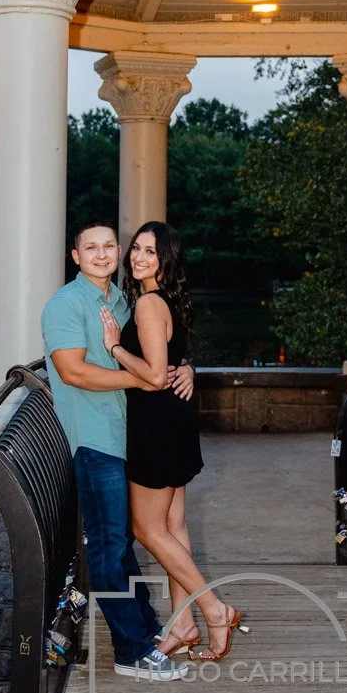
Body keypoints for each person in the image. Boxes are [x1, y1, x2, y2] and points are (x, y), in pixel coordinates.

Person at [42, 219, 195, 682]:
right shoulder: (64, 305)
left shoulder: (124, 301)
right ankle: (131, 651)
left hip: (130, 435)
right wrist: (151, 377)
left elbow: (160, 347)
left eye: (111, 245)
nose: (104, 254)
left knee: (123, 540)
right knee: (109, 546)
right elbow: (74, 372)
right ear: (75, 256)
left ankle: (146, 629)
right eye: (92, 247)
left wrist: (183, 368)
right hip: (94, 439)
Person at [101, 221, 246, 664]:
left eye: (150, 251)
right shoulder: (171, 301)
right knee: (175, 526)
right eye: (136, 250)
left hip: (156, 426)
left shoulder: (146, 304)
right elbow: (175, 360)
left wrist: (114, 348)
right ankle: (183, 624)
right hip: (175, 422)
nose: (139, 257)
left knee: (148, 529)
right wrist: (187, 368)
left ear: (165, 259)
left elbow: (154, 373)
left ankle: (214, 610)